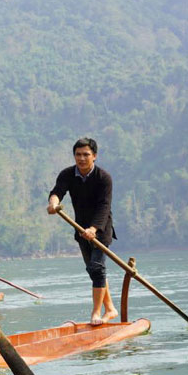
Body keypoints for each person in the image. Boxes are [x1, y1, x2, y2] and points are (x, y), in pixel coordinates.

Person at [47, 137, 118, 326]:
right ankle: (110, 308)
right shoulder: (67, 174)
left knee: (97, 267)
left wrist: (94, 229)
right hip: (80, 229)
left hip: (101, 229)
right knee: (94, 271)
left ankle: (96, 312)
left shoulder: (104, 178)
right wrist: (53, 202)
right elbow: (57, 191)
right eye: (78, 155)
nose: (82, 158)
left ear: (94, 156)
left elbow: (104, 206)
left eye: (86, 154)